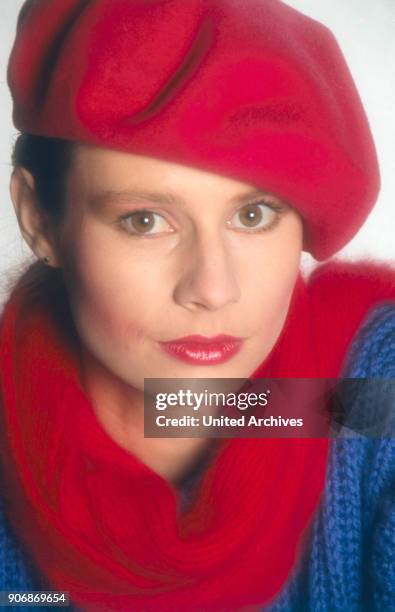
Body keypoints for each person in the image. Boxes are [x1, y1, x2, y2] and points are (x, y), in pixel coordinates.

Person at [0, 0, 394, 610]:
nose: (212, 289)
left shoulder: (370, 400)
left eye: (254, 215)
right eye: (144, 219)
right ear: (40, 219)